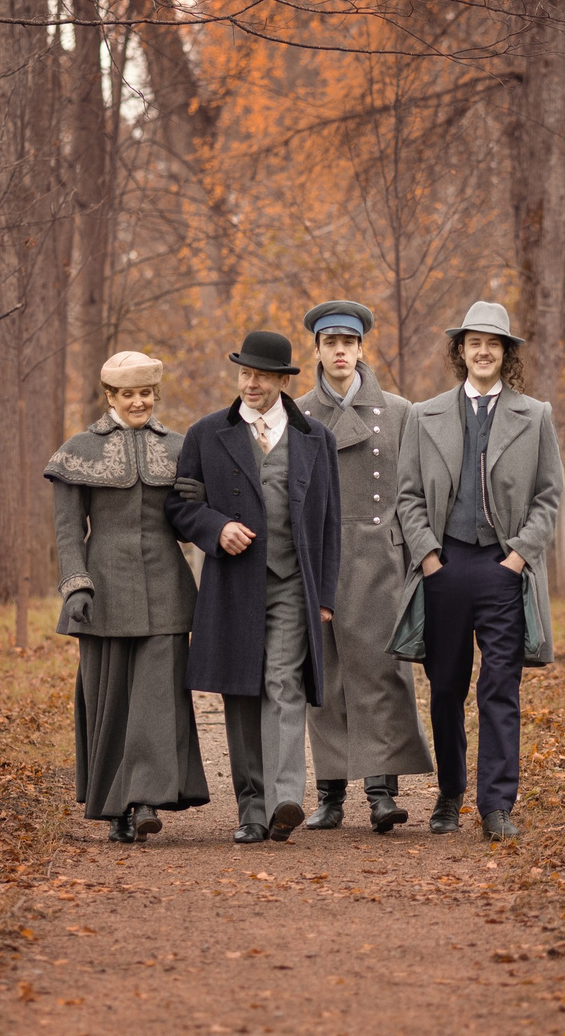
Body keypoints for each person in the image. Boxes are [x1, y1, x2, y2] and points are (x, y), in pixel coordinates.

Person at [393, 301, 561, 841]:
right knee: (445, 688)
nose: (483, 351)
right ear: (460, 351)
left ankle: (496, 806)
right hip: (445, 566)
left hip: (502, 566)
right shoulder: (426, 414)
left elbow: (549, 497)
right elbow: (408, 496)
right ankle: (449, 793)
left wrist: (517, 558)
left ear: (506, 353)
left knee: (500, 688)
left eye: (493, 343)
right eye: (473, 343)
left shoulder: (535, 416)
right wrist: (428, 557)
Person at [169, 330, 343, 843]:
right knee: (241, 691)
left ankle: (284, 798)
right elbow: (180, 508)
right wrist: (216, 528)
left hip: (293, 582)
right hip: (232, 584)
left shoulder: (316, 439)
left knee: (283, 682)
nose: (251, 383)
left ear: (284, 381)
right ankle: (251, 807)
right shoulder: (205, 435)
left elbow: (330, 521)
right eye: (244, 373)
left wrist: (325, 597)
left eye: (262, 375)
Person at [46, 351, 209, 842]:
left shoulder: (182, 448)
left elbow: (189, 522)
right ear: (110, 397)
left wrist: (200, 503)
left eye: (146, 394)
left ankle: (143, 801)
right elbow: (68, 530)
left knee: (158, 700)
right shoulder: (77, 451)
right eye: (128, 394)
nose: (138, 402)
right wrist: (76, 584)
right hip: (104, 593)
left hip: (166, 588)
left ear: (155, 396)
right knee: (110, 701)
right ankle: (116, 806)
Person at [292, 300, 434, 833]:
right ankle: (330, 794)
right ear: (318, 351)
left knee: (381, 671)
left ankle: (381, 790)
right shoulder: (298, 413)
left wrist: (417, 554)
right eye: (330, 344)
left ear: (360, 348)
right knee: (324, 673)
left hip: (380, 556)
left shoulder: (399, 411)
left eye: (347, 343)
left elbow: (417, 488)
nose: (339, 352)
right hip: (321, 556)